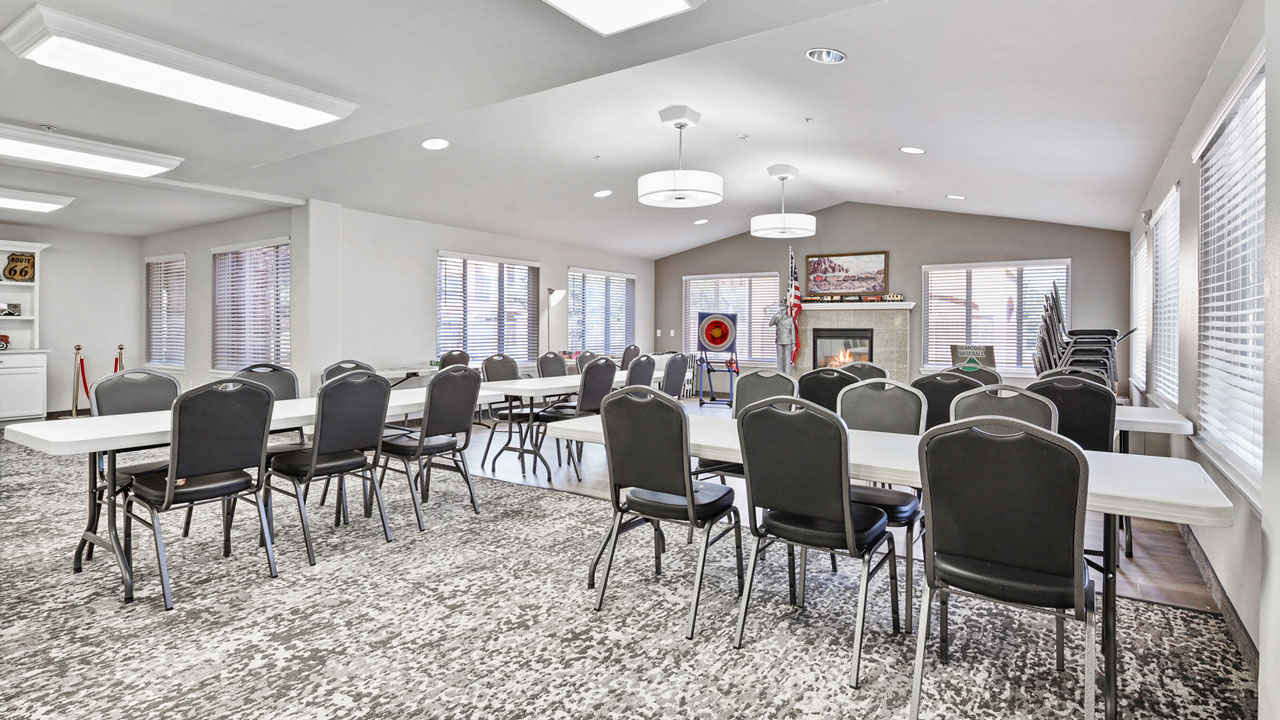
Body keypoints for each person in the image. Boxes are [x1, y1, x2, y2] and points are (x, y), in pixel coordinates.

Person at [768, 297, 794, 374]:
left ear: (786, 310)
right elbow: (770, 324)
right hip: (779, 340)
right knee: (780, 360)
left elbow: (792, 331)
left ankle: (787, 376)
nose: (782, 312)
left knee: (787, 359)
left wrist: (793, 343)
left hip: (788, 341)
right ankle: (780, 375)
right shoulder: (777, 319)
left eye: (783, 310)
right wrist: (775, 315)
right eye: (780, 310)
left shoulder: (790, 319)